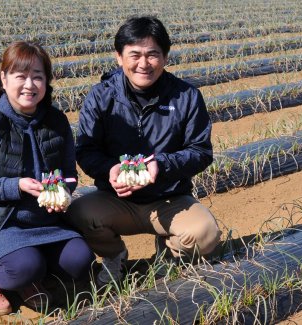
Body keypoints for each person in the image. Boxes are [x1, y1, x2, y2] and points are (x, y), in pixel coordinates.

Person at [65, 16, 221, 285]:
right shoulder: (101, 96)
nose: (143, 63)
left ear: (166, 57)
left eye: (152, 54)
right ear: (119, 57)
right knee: (75, 213)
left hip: (169, 199)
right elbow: (86, 149)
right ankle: (114, 256)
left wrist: (162, 165)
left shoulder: (186, 96)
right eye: (134, 54)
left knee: (205, 234)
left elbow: (201, 151)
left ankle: (168, 252)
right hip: (117, 199)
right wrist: (109, 169)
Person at [0, 41, 94, 315]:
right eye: (21, 76)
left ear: (47, 82)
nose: (30, 84)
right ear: (4, 79)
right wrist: (16, 185)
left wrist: (61, 193)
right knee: (25, 267)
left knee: (80, 260)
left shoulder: (56, 121)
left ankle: (31, 276)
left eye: (38, 76)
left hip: (45, 221)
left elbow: (68, 174)